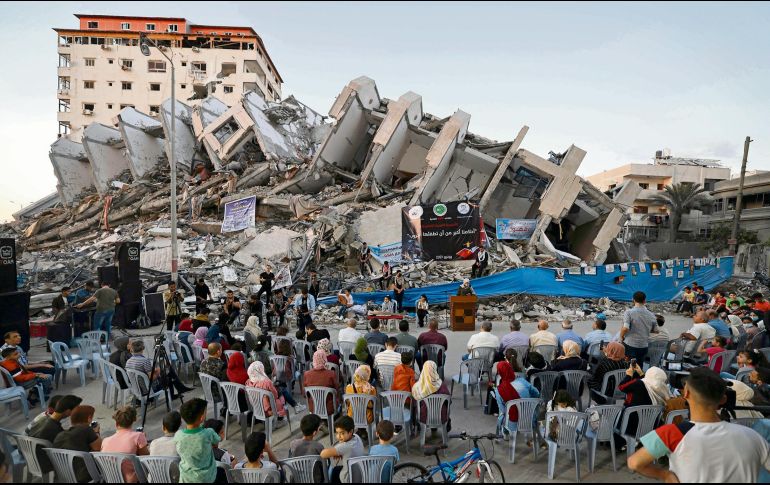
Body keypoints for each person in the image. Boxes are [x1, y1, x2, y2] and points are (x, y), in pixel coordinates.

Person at [629, 367, 770, 483]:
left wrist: (665, 475)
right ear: (723, 399)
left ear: (686, 393)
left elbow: (634, 463)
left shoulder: (672, 433)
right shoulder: (753, 436)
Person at [616, 364, 671, 448]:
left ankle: (622, 442)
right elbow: (650, 382)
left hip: (628, 426)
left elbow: (621, 387)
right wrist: (641, 373)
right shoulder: (663, 389)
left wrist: (629, 375)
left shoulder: (637, 383)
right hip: (649, 428)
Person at [27, 395, 82, 474]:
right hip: (44, 462)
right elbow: (68, 447)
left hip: (33, 456)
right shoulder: (53, 428)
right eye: (76, 409)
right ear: (68, 411)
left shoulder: (47, 420)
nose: (77, 412)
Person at [174, 398, 222, 484]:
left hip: (186, 477)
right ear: (202, 417)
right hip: (207, 478)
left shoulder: (178, 435)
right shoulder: (208, 433)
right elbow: (217, 440)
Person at [53, 405, 102, 482]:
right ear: (89, 418)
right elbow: (99, 447)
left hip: (63, 476)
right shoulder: (86, 429)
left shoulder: (60, 435)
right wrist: (96, 432)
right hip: (82, 477)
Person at [101, 406, 149, 483]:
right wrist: (144, 441)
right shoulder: (138, 436)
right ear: (134, 420)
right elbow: (146, 458)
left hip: (112, 480)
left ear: (116, 423)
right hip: (133, 480)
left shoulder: (105, 441)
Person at [320, 416, 365, 484]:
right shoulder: (356, 436)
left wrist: (339, 449)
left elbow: (323, 454)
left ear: (351, 431)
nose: (338, 436)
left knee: (332, 470)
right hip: (360, 473)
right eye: (337, 433)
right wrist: (339, 450)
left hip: (347, 479)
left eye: (342, 433)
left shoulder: (345, 446)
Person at [620, 291, 659, 363]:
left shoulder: (629, 312)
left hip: (630, 345)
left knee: (628, 366)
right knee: (639, 366)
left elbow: (625, 328)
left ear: (633, 300)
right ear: (644, 301)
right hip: (643, 346)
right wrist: (645, 329)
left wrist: (621, 336)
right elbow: (656, 330)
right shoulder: (651, 315)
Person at [493, 351, 523, 436]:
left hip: (511, 419)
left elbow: (503, 410)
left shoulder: (501, 388)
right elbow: (535, 393)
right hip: (527, 415)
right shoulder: (523, 381)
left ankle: (501, 432)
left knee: (502, 412)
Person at [413, 360, 451, 427]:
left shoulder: (417, 387)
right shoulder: (441, 385)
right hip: (441, 417)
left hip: (423, 418)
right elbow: (448, 402)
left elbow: (415, 404)